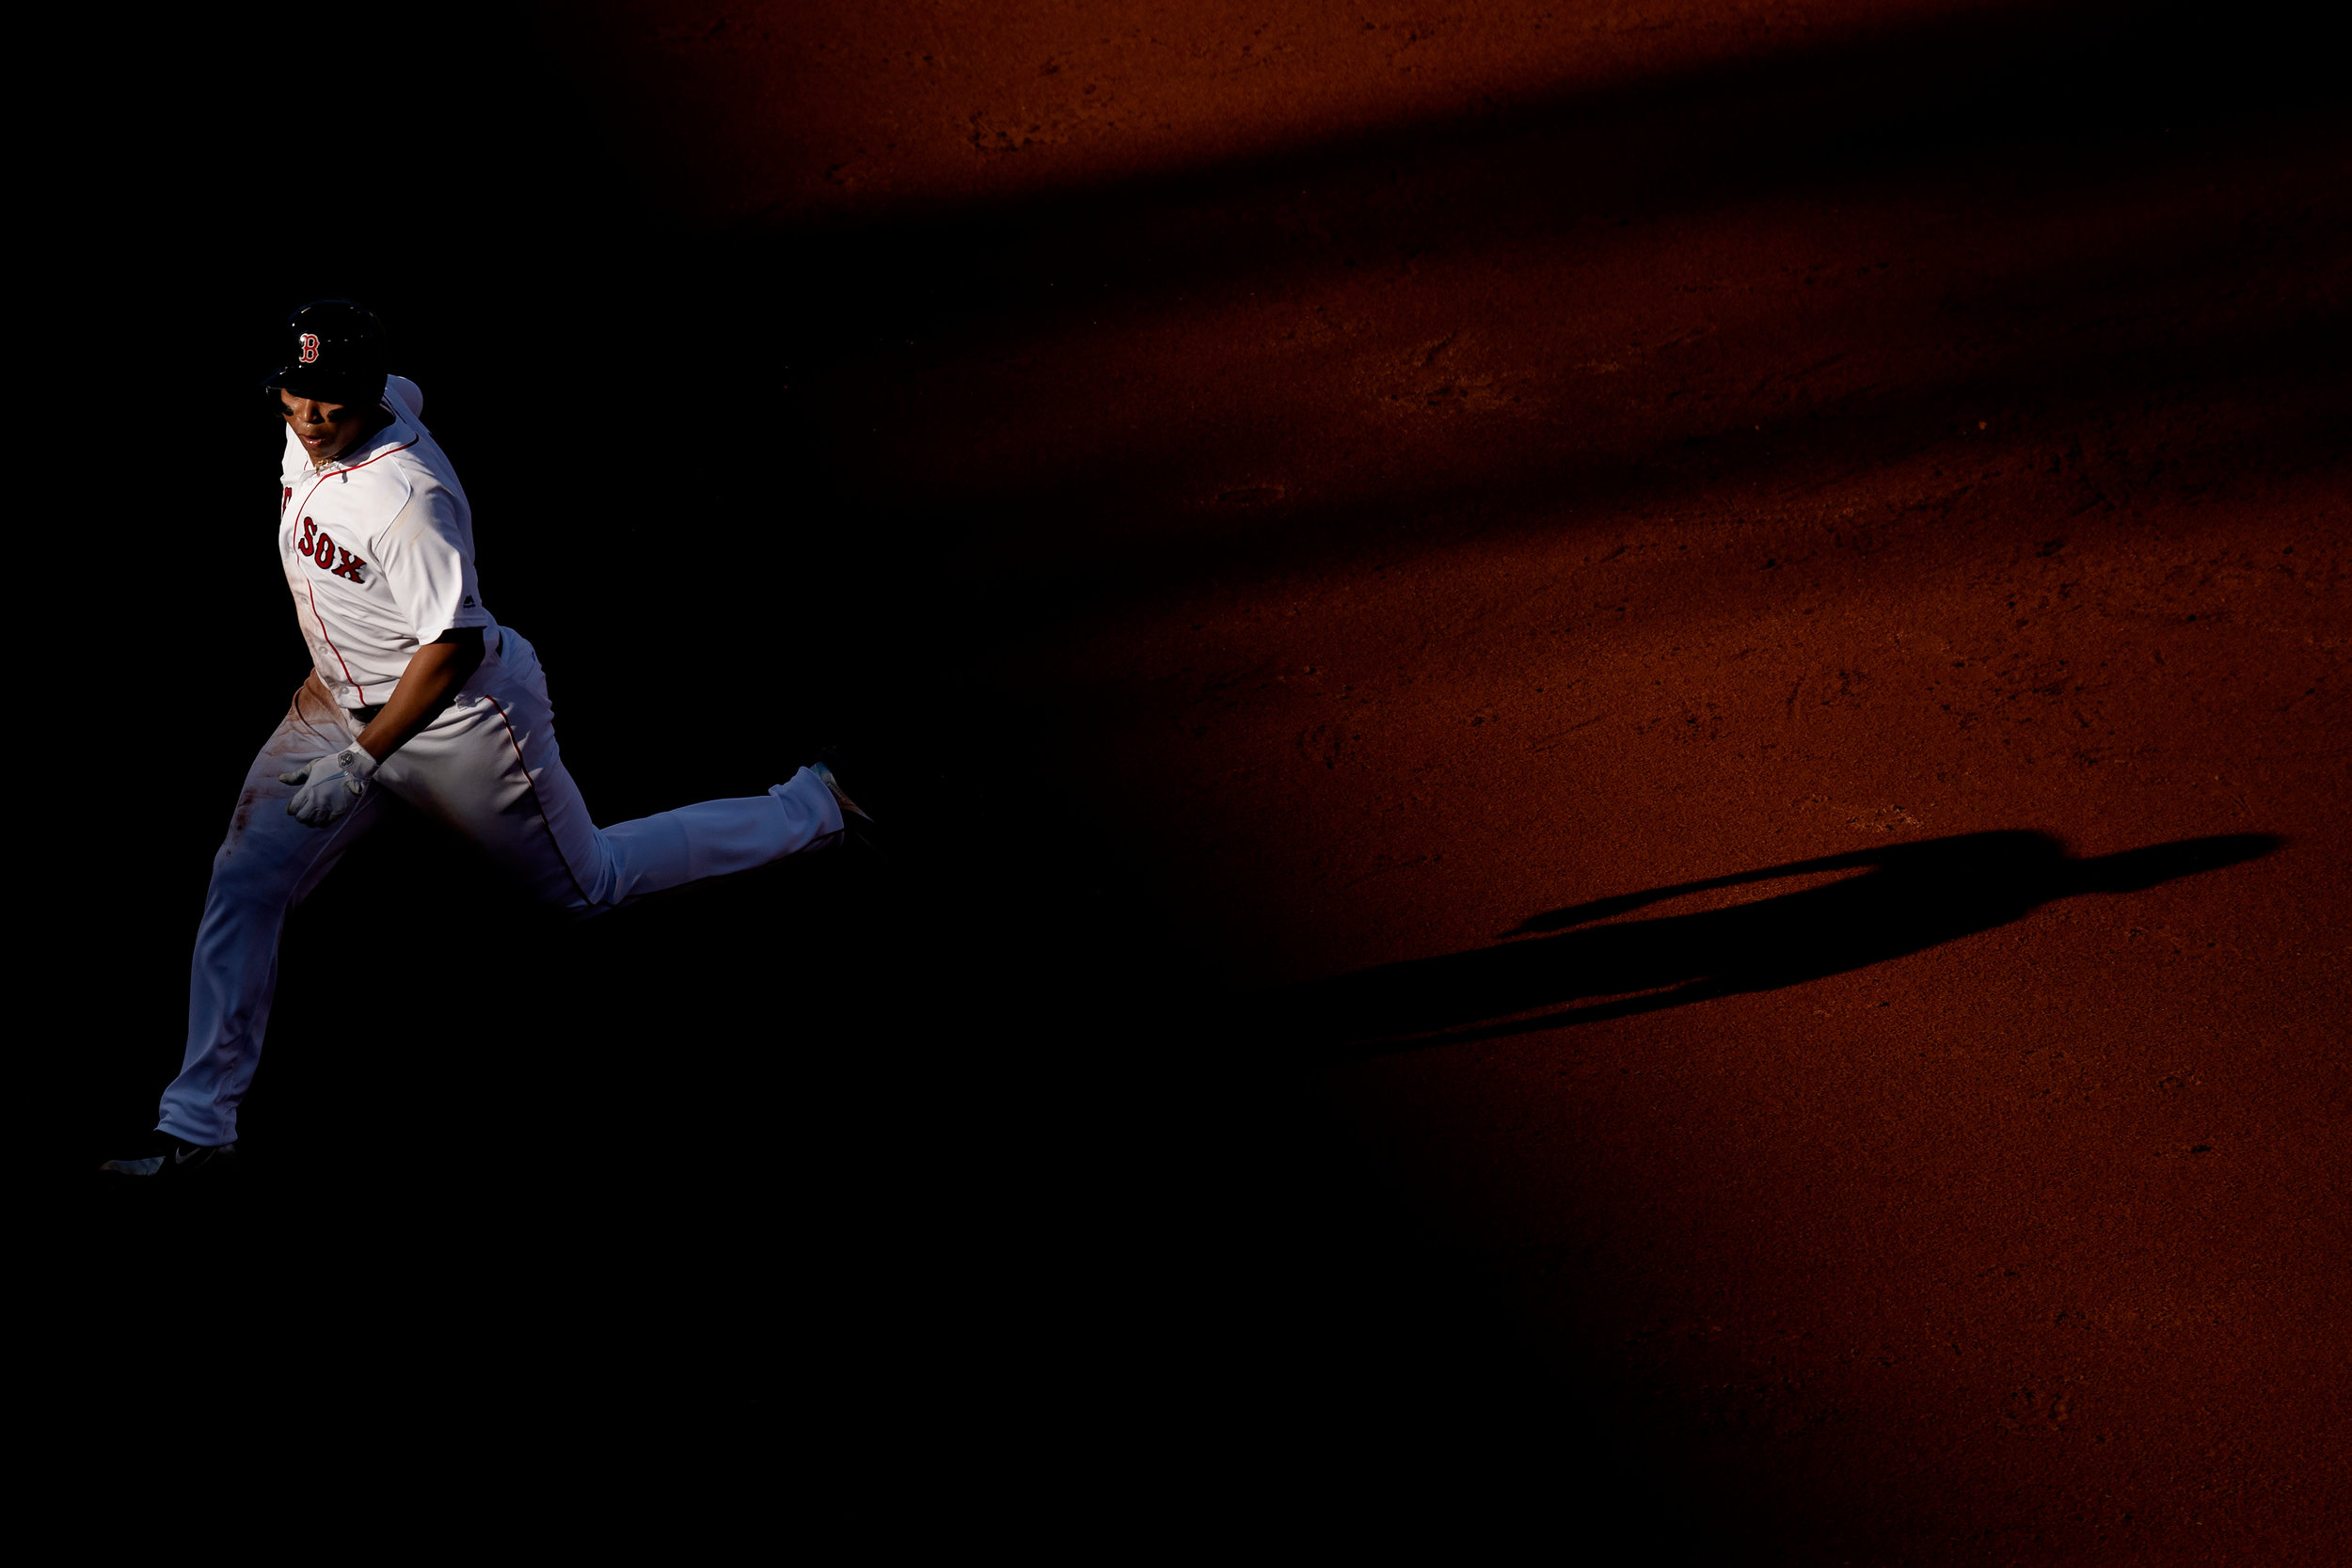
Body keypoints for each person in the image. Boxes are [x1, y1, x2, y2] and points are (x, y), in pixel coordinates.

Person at [101, 300, 873, 1179]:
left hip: (459, 724)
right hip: (330, 701)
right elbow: (406, 389)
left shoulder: (410, 498)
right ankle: (197, 1129)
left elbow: (454, 645)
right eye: (297, 396)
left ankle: (813, 804)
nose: (312, 419)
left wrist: (362, 761)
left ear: (364, 399)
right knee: (242, 881)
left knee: (589, 889)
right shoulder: (350, 405)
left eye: (332, 403)